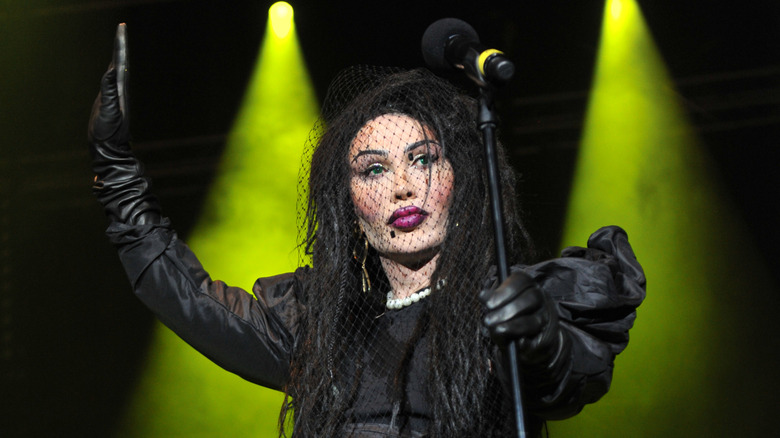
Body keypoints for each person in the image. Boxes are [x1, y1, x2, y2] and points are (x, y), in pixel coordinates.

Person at [89, 24, 646, 437]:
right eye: (374, 169)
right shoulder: (319, 325)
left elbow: (564, 381)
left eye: (423, 159)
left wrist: (539, 339)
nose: (402, 187)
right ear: (349, 203)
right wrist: (114, 168)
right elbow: (187, 298)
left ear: (461, 179)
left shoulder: (508, 303)